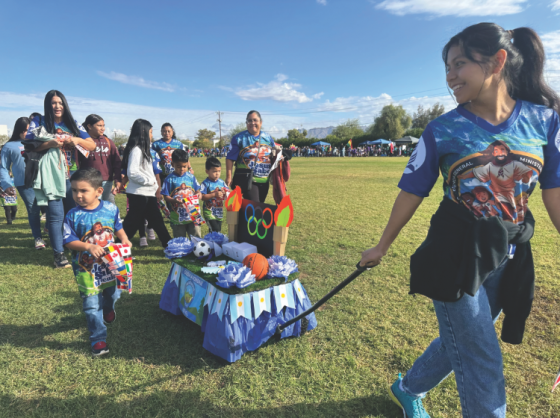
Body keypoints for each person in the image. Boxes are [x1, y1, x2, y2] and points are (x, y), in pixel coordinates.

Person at [359, 23, 560, 417]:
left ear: (498, 61)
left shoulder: (545, 122)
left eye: (460, 64)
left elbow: (554, 194)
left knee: (467, 340)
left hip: (510, 255)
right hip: (454, 255)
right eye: (447, 67)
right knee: (482, 357)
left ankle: (407, 388)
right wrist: (381, 246)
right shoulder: (441, 129)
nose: (450, 76)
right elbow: (412, 190)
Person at [63, 168, 131, 357]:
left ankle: (108, 307)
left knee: (113, 294)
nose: (78, 195)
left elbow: (118, 226)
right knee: (92, 305)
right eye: (74, 190)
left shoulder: (111, 208)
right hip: (86, 270)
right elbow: (68, 241)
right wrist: (87, 247)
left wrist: (124, 238)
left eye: (83, 191)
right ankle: (98, 338)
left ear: (99, 191)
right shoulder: (72, 215)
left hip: (110, 266)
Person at [25, 90, 96, 268]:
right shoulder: (39, 121)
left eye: (60, 103)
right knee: (56, 216)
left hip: (72, 177)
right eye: (54, 103)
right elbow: (27, 144)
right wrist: (49, 143)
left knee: (74, 214)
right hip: (51, 176)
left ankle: (76, 247)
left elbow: (92, 145)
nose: (57, 106)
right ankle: (59, 255)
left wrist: (77, 140)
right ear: (48, 104)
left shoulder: (73, 123)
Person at [121, 119, 171, 248]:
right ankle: (116, 247)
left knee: (157, 221)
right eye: (150, 132)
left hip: (147, 193)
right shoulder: (137, 150)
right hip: (139, 194)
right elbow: (132, 172)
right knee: (131, 224)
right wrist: (149, 181)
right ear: (143, 133)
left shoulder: (145, 150)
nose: (152, 135)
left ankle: (169, 245)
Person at [0, 117, 46, 247]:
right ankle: (38, 238)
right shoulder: (9, 146)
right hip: (24, 183)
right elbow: (3, 167)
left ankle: (50, 229)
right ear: (19, 130)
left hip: (43, 181)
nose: (29, 133)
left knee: (50, 207)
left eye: (31, 130)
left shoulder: (39, 143)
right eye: (26, 130)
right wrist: (6, 184)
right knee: (33, 209)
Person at [225, 110, 276, 202]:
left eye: (255, 120)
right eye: (249, 120)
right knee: (255, 207)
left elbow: (274, 154)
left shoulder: (268, 138)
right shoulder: (239, 138)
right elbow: (230, 158)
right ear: (246, 123)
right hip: (247, 180)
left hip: (264, 180)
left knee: (258, 208)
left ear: (261, 122)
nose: (252, 123)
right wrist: (229, 176)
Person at [79, 114, 122, 204]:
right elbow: (77, 162)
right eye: (99, 125)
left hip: (107, 182)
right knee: (92, 206)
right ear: (89, 126)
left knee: (105, 207)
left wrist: (117, 179)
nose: (103, 128)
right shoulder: (82, 142)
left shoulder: (108, 141)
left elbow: (117, 162)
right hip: (89, 181)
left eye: (103, 125)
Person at [161, 149, 202, 238]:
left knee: (196, 235)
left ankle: (197, 250)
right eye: (178, 166)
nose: (182, 169)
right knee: (180, 237)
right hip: (177, 214)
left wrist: (199, 194)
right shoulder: (169, 179)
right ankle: (182, 250)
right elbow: (166, 196)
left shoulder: (191, 177)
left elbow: (197, 190)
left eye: (184, 166)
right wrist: (174, 200)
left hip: (193, 211)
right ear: (173, 164)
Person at [200, 157, 229, 233]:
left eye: (219, 171)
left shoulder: (222, 182)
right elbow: (202, 197)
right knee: (215, 230)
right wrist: (214, 194)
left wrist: (225, 192)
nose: (217, 173)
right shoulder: (205, 183)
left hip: (219, 211)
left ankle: (213, 244)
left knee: (218, 230)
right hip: (209, 212)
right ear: (207, 171)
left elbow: (228, 193)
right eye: (214, 171)